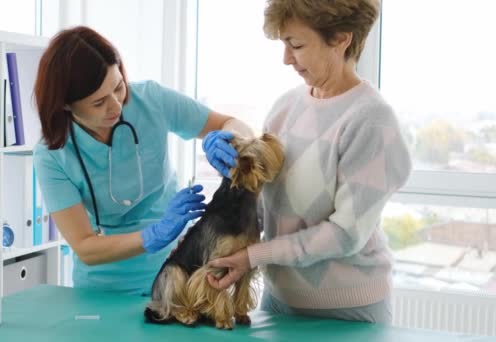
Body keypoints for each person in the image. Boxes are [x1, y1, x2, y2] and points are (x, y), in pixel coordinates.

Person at [207, 0, 411, 324]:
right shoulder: (285, 107)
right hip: (278, 301)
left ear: (341, 38)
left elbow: (344, 234)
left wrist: (253, 256)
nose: (286, 59)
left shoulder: (372, 121)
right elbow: (268, 206)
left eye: (296, 45)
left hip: (346, 310)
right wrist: (235, 185)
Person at [33, 26, 252, 296]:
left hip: (176, 271)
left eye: (118, 87)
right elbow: (85, 247)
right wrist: (154, 235)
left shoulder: (151, 100)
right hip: (104, 287)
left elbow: (236, 124)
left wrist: (229, 139)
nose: (115, 105)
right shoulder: (52, 154)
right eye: (99, 102)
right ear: (66, 105)